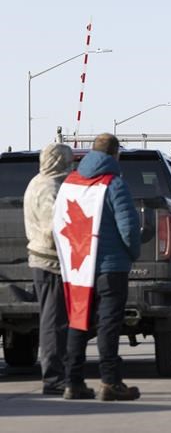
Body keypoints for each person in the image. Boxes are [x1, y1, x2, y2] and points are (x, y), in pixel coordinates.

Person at [60, 133, 141, 400]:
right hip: (111, 267)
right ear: (115, 155)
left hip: (78, 267)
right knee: (108, 324)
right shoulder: (114, 184)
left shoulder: (69, 183)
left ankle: (73, 382)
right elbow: (128, 228)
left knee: (78, 321)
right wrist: (132, 254)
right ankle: (110, 382)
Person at [23, 143, 73, 395]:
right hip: (51, 262)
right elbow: (55, 227)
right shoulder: (50, 188)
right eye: (68, 160)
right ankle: (53, 379)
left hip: (42, 259)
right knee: (54, 323)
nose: (71, 165)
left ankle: (56, 374)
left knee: (53, 320)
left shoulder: (37, 182)